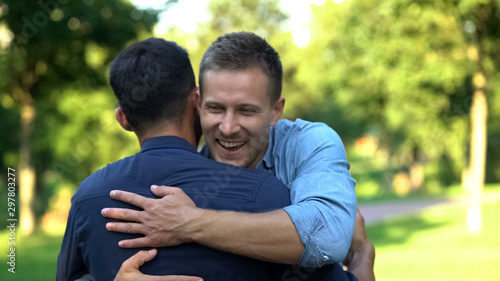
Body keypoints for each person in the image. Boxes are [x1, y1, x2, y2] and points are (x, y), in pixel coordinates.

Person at [57, 37, 340, 281]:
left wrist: (188, 222)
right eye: (216, 108)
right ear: (197, 102)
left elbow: (327, 234)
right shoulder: (270, 195)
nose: (228, 127)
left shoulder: (87, 198)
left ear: (123, 119)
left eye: (246, 111)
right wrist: (363, 258)